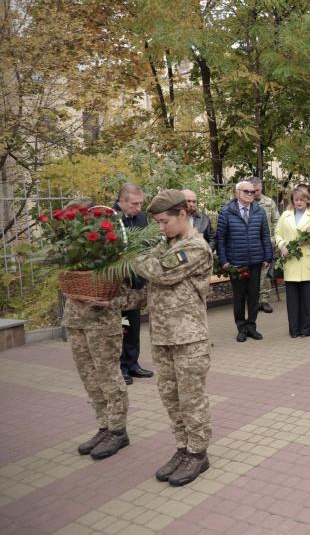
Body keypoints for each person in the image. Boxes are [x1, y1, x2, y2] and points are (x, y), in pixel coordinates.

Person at [106, 190, 214, 486]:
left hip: (189, 338)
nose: (161, 227)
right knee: (170, 397)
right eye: (157, 222)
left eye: (165, 221)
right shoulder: (167, 243)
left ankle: (198, 453)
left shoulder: (195, 247)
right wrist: (113, 300)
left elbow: (159, 273)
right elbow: (150, 288)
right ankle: (182, 447)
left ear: (183, 214)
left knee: (191, 399)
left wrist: (125, 257)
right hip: (164, 337)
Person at [62, 201, 129, 461]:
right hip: (76, 320)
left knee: (108, 378)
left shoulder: (109, 249)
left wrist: (106, 300)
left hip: (102, 323)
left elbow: (122, 292)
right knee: (89, 378)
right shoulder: (75, 247)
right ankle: (103, 426)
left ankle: (118, 431)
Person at [216, 181, 274, 342]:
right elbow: (221, 238)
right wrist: (224, 260)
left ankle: (251, 326)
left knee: (254, 297)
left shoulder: (259, 211)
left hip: (256, 261)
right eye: (246, 191)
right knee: (239, 297)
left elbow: (265, 236)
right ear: (237, 193)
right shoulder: (227, 211)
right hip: (236, 263)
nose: (250, 194)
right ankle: (241, 327)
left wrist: (267, 257)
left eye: (252, 191)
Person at [113, 183, 153, 385]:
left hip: (136, 282)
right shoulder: (110, 219)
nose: (138, 208)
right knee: (120, 326)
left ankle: (133, 363)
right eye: (134, 204)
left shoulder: (141, 218)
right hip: (117, 285)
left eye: (140, 203)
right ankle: (121, 366)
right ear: (122, 201)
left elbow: (146, 246)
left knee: (134, 324)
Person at [275, 187, 310, 338]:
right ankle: (294, 329)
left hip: (307, 259)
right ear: (292, 201)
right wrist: (282, 245)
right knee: (292, 299)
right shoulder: (285, 215)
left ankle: (306, 329)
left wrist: (309, 241)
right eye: (296, 200)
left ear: (307, 200)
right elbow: (277, 233)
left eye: (302, 199)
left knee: (307, 298)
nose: (299, 202)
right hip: (291, 260)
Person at [251, 177, 280, 314]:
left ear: (261, 188)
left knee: (267, 273)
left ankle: (265, 300)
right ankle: (254, 301)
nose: (255, 193)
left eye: (257, 190)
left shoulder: (269, 202)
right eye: (253, 190)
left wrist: (273, 239)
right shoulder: (247, 202)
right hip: (252, 244)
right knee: (253, 273)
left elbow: (276, 221)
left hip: (267, 243)